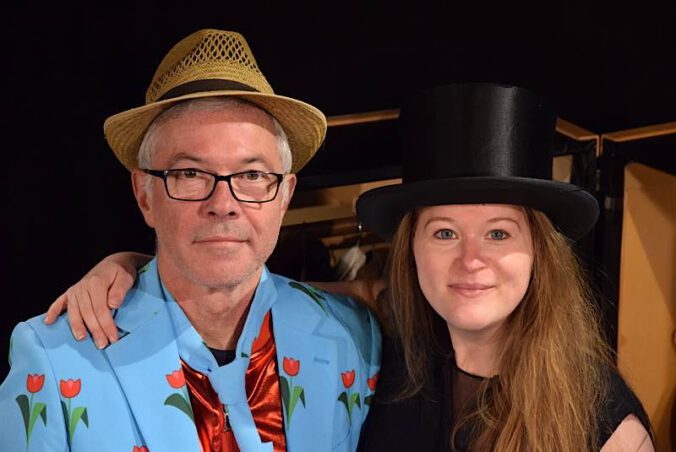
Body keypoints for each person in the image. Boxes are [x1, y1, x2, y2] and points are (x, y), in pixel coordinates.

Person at [47, 83, 655, 451]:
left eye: (499, 232)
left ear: (538, 254)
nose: (472, 259)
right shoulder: (385, 349)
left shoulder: (601, 420)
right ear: (413, 249)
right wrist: (132, 268)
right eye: (444, 232)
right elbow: (234, 284)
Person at [0, 29, 380, 452]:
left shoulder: (354, 334)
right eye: (190, 174)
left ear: (285, 195)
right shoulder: (53, 358)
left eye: (252, 175)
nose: (224, 203)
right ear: (144, 194)